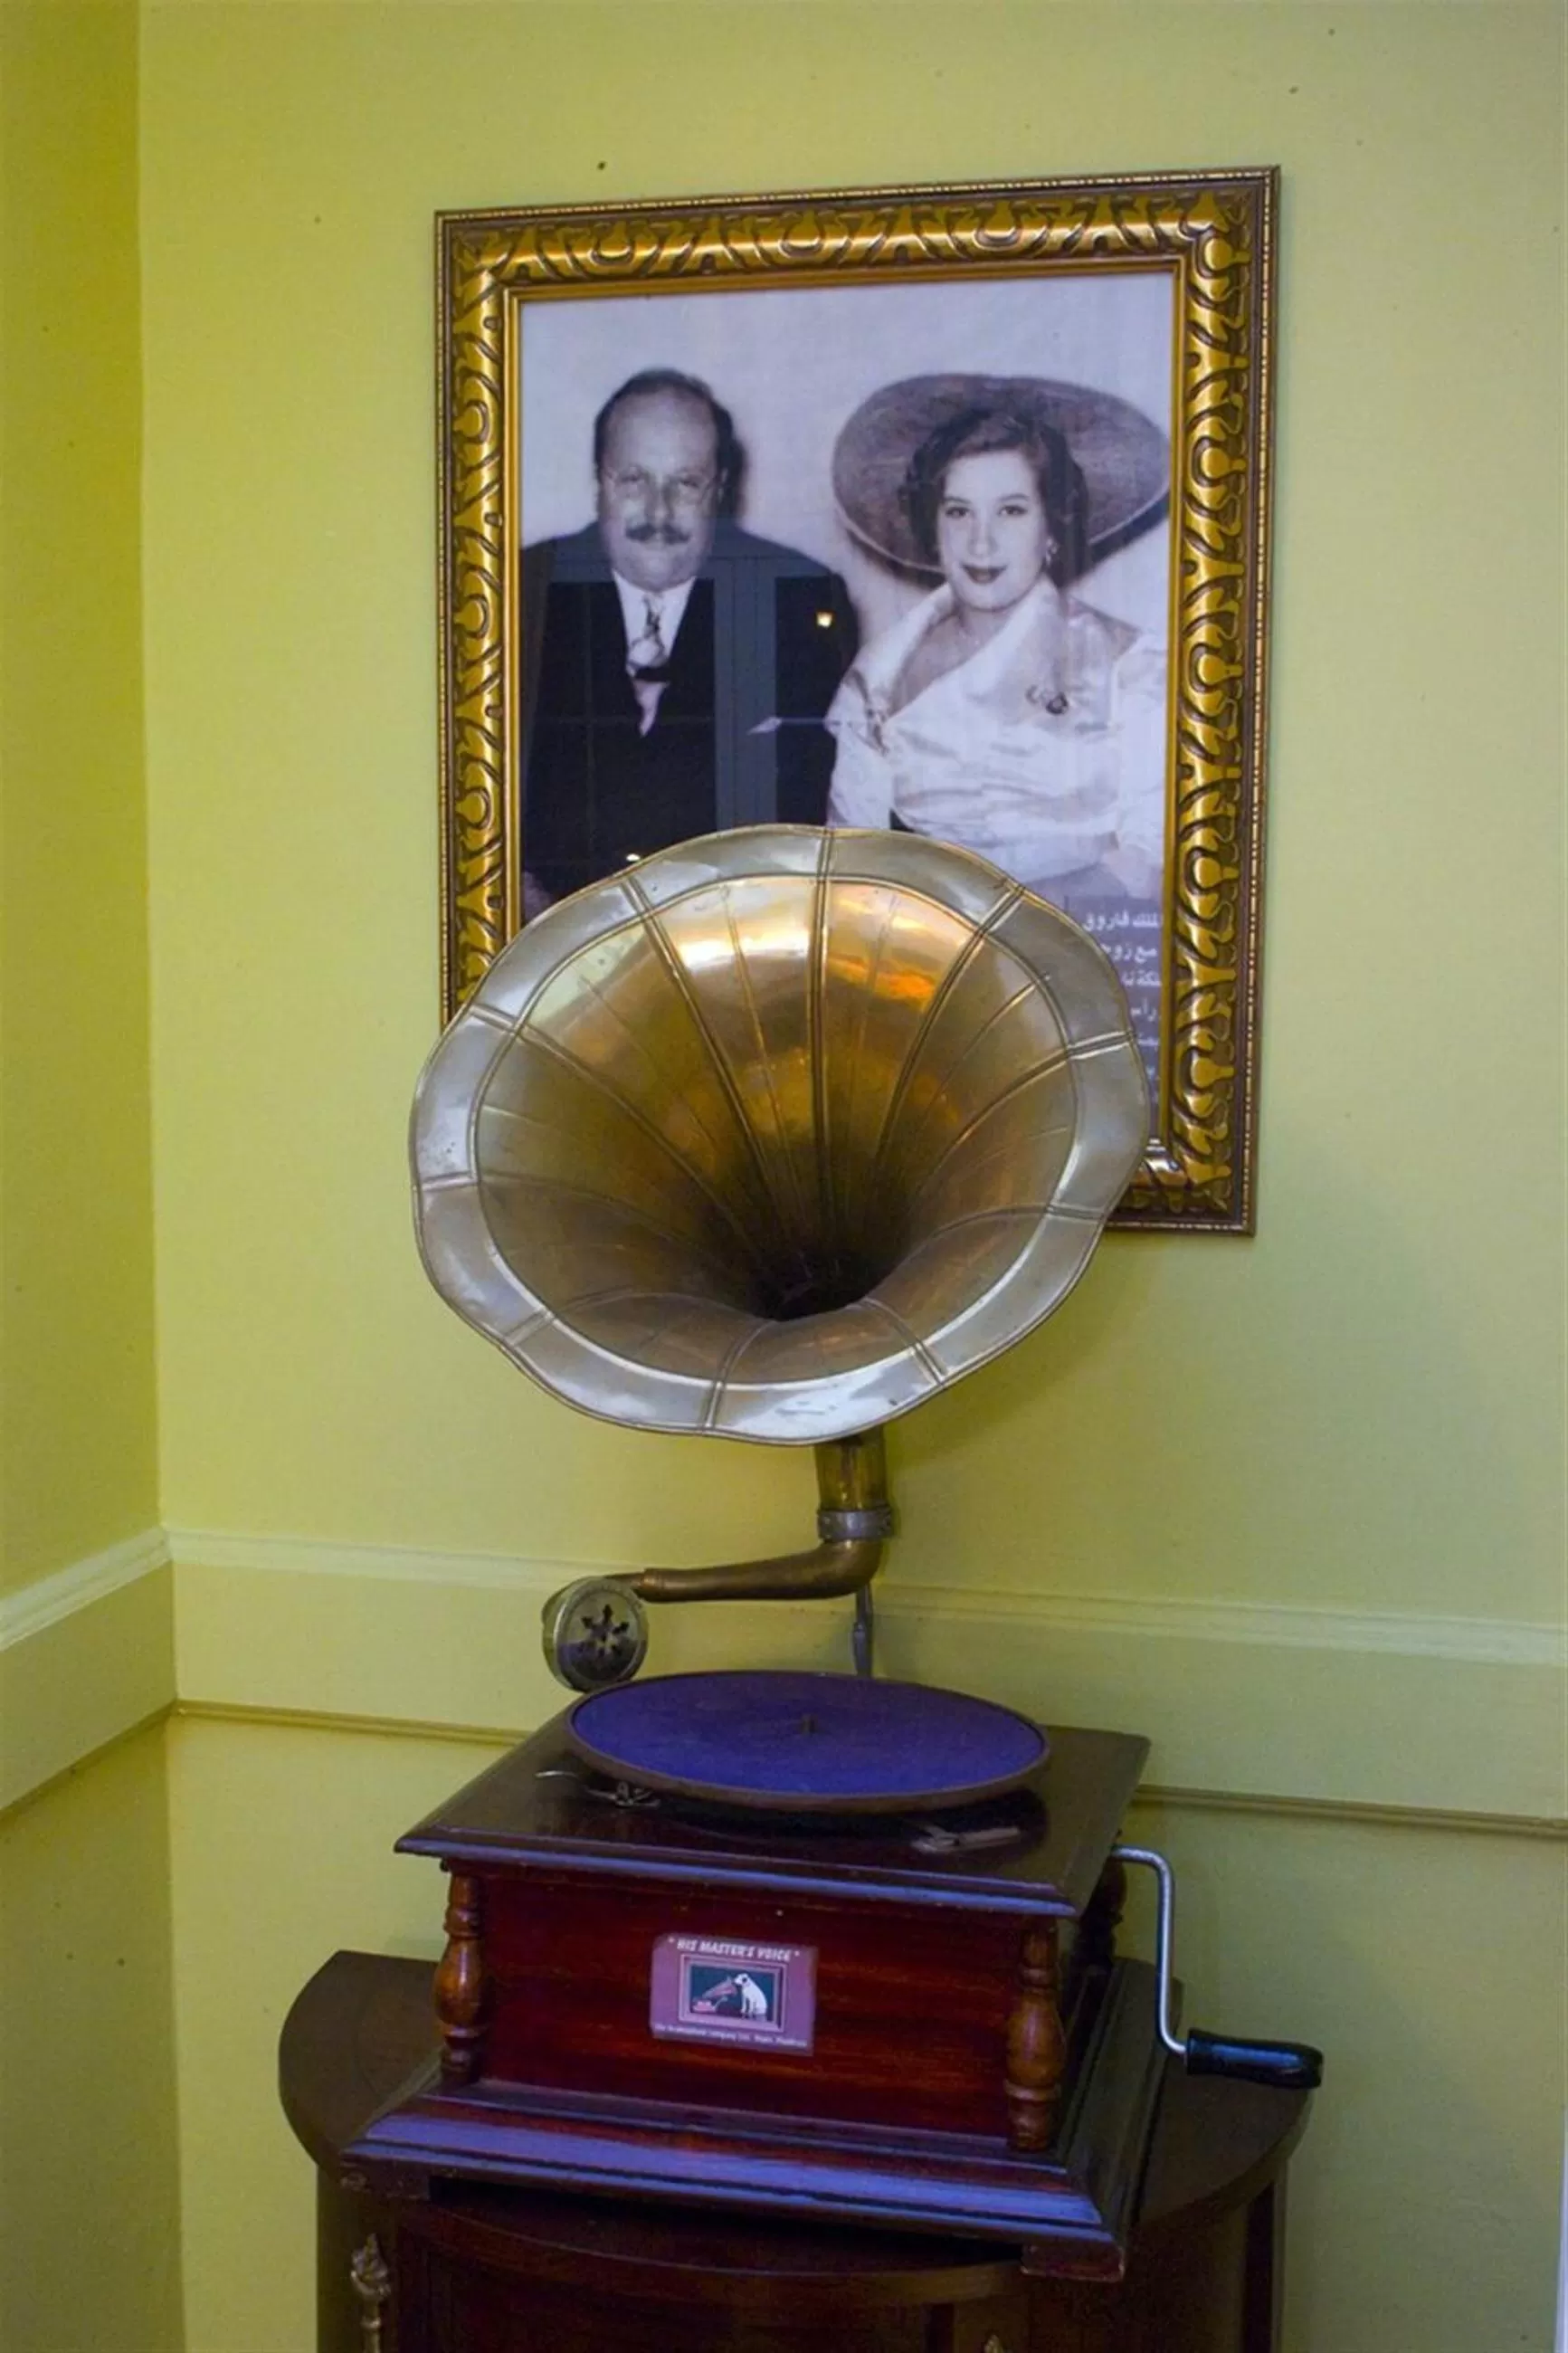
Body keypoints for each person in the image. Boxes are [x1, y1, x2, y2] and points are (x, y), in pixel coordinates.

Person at [520, 368, 859, 911]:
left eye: (685, 483)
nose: (658, 513)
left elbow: (810, 817)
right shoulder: (520, 595)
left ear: (720, 489)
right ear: (598, 480)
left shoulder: (795, 598)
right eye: (634, 480)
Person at [825, 394, 1168, 922]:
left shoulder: (1130, 665)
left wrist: (999, 918)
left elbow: (1151, 860)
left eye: (1011, 510)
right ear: (932, 528)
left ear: (1051, 528)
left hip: (1090, 950)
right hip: (923, 960)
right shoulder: (878, 679)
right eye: (959, 512)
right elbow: (850, 868)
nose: (981, 542)